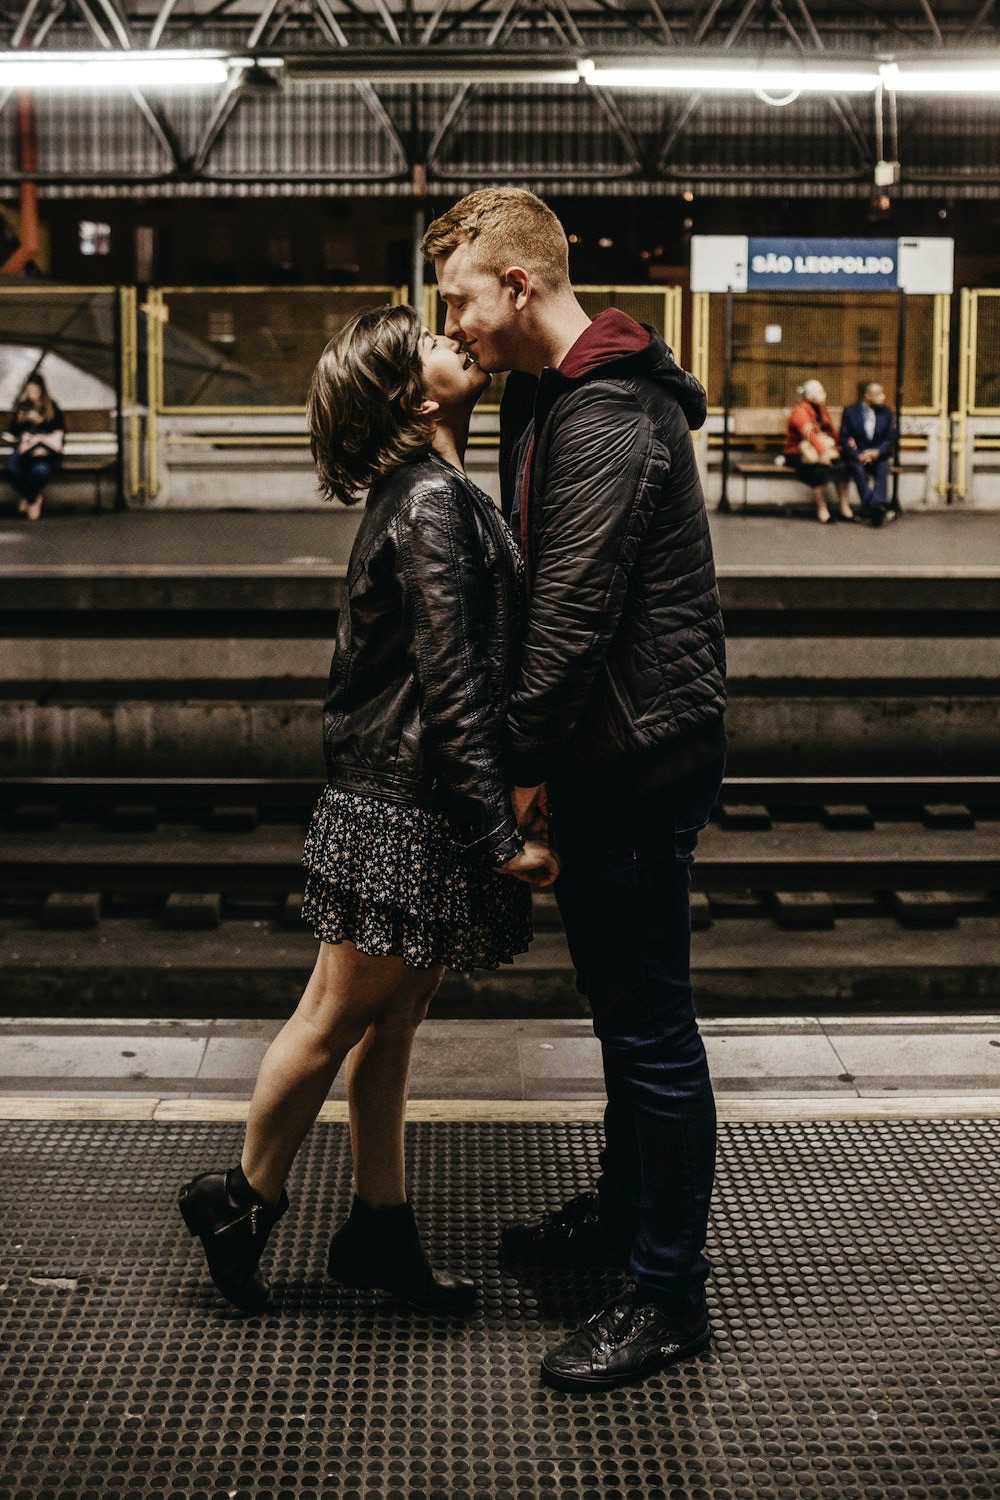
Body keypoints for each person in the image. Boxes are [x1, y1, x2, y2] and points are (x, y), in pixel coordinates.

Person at [179, 304, 559, 1317]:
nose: (456, 338)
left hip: (407, 797)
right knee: (339, 1012)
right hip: (401, 803)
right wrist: (498, 834)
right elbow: (453, 683)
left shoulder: (433, 491)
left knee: (391, 1020)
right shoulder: (431, 501)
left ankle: (379, 1229)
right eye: (434, 342)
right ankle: (240, 1197)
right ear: (415, 396)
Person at [423, 188, 727, 1393]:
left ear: (516, 287)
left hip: (638, 755)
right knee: (619, 1010)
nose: (451, 323)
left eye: (459, 299)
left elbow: (562, 630)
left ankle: (666, 1295)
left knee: (649, 1024)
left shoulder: (608, 420)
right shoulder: (551, 397)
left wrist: (516, 777)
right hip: (613, 744)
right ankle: (620, 1221)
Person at [784, 378, 854, 524]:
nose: (824, 394)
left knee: (843, 466)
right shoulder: (800, 411)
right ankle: (822, 509)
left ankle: (844, 508)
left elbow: (831, 431)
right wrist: (823, 453)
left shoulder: (821, 409)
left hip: (820, 451)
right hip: (798, 453)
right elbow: (810, 435)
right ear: (810, 396)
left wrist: (841, 444)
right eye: (820, 392)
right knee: (819, 470)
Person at [3, 372, 65, 521]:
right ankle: (32, 498)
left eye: (35, 390)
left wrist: (40, 421)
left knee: (40, 471)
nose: (32, 394)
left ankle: (29, 498)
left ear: (41, 390)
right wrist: (20, 420)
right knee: (10, 469)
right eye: (29, 390)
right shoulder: (23, 406)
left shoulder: (51, 407)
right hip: (26, 450)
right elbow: (13, 432)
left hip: (45, 451)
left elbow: (59, 431)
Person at [840, 380, 897, 526]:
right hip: (857, 455)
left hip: (878, 455)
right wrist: (858, 454)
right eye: (878, 394)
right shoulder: (850, 411)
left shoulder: (887, 412)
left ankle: (874, 505)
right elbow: (844, 437)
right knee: (858, 470)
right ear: (867, 395)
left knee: (882, 468)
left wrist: (877, 452)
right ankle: (876, 507)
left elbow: (890, 438)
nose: (883, 397)